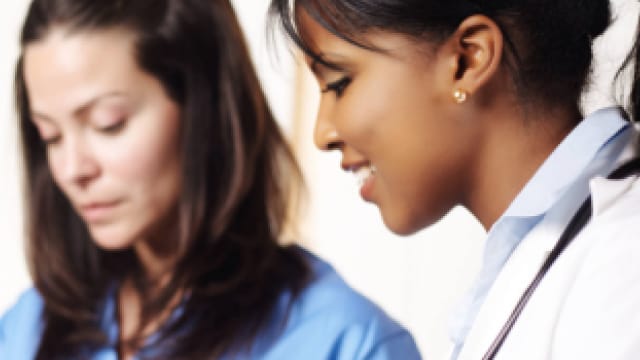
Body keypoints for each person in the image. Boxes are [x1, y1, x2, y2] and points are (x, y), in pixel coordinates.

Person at [0, 0, 422, 359]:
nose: (73, 169)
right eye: (49, 136)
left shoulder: (346, 342)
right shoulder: (26, 329)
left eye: (108, 124)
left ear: (206, 108)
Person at [270, 0, 640, 359]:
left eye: (339, 83)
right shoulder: (532, 262)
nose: (322, 134)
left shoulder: (623, 261)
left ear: (467, 60)